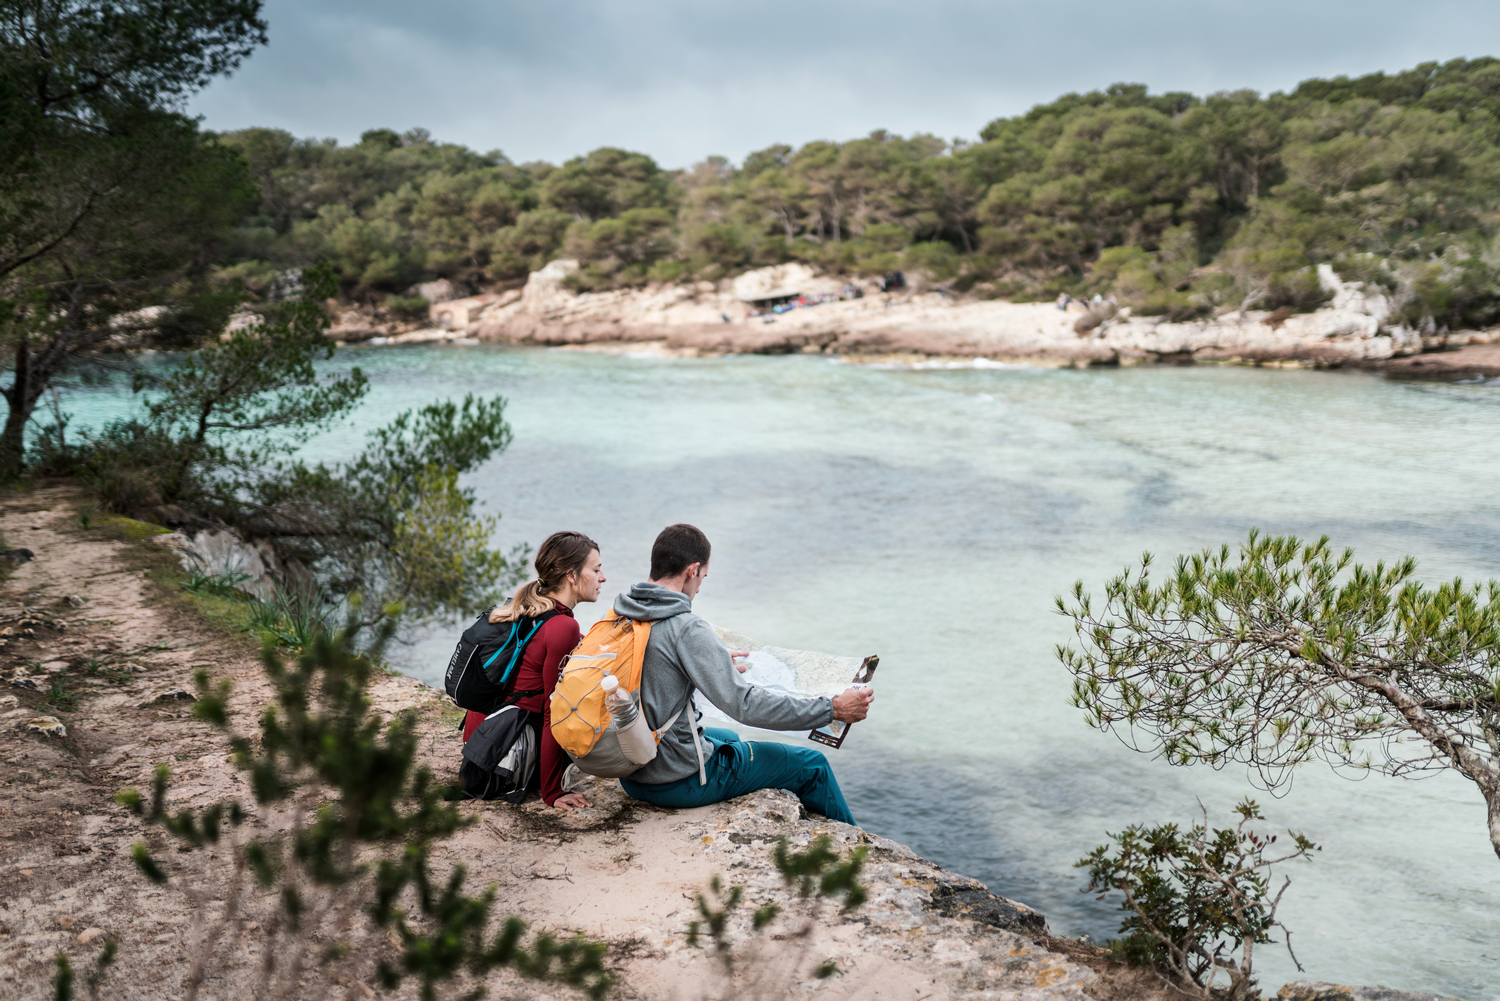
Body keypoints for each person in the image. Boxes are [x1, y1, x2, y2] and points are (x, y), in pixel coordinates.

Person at [613, 524, 874, 825]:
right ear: (692, 570)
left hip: (632, 768)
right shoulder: (686, 627)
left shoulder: (623, 613)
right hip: (675, 781)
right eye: (703, 578)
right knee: (814, 766)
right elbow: (744, 705)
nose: (700, 587)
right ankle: (854, 858)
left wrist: (711, 663)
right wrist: (832, 709)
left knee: (729, 738)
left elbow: (653, 673)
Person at [462, 531, 605, 811]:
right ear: (572, 576)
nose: (603, 577)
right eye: (596, 569)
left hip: (480, 747)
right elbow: (556, 709)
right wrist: (551, 792)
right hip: (504, 762)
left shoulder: (527, 607)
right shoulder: (563, 626)